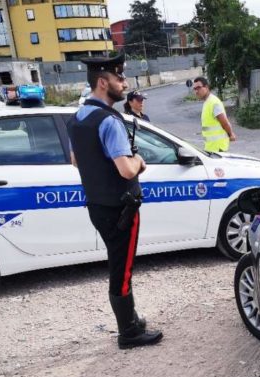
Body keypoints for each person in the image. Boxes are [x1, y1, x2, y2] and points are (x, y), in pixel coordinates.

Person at [67, 53, 162, 349]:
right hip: (121, 208)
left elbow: (75, 160)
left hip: (97, 205)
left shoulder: (78, 118)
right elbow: (126, 169)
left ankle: (130, 319)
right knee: (122, 271)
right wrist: (140, 161)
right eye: (119, 78)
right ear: (102, 82)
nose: (124, 83)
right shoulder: (109, 121)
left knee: (119, 264)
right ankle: (129, 333)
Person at [192, 76, 236, 153]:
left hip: (218, 149)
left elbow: (224, 122)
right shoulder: (207, 102)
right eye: (195, 89)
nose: (196, 91)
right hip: (211, 148)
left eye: (198, 88)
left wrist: (231, 134)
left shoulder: (214, 102)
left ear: (206, 87)